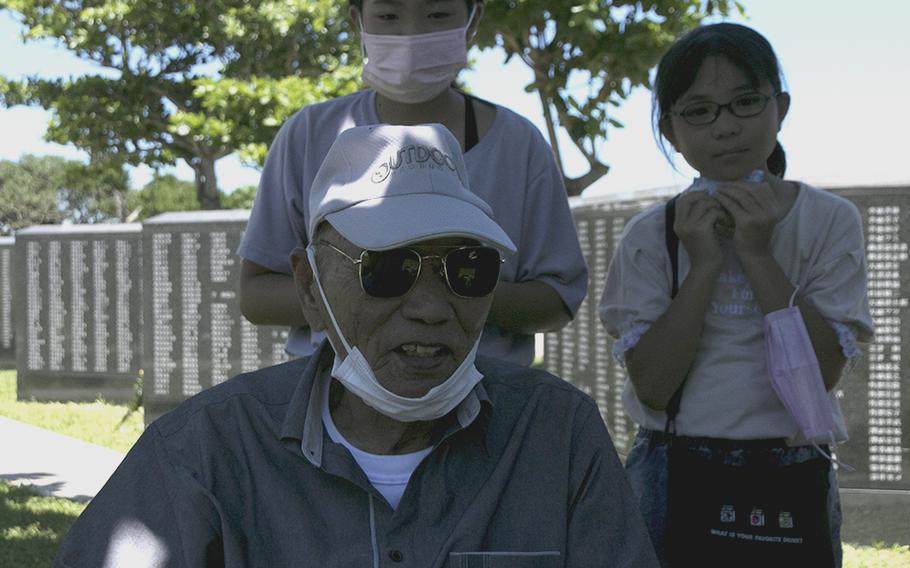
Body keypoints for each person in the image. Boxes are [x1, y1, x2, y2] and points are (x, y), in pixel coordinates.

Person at [57, 124, 658, 567]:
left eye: (466, 268)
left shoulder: (558, 437)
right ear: (309, 288)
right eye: (388, 268)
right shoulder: (204, 451)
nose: (430, 306)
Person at [598, 23, 873, 568]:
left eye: (745, 102)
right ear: (671, 131)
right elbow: (653, 386)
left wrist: (757, 254)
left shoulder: (827, 221)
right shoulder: (652, 234)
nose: (725, 127)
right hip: (672, 465)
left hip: (790, 465)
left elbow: (821, 376)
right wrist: (701, 266)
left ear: (781, 107)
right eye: (698, 110)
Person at [237, 0, 587, 367]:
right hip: (336, 394)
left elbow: (557, 299)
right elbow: (256, 293)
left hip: (486, 399)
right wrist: (378, 291)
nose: (411, 36)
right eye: (388, 16)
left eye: (437, 14)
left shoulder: (520, 145)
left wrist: (447, 290)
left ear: (473, 19)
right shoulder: (308, 135)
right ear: (358, 21)